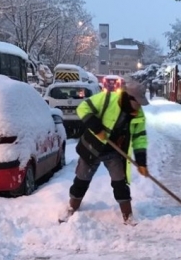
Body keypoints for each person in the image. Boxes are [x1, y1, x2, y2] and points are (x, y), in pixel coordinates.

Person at [59, 79, 149, 224]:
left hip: (114, 151)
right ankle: (71, 207)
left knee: (120, 182)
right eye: (137, 102)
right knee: (82, 178)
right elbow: (83, 108)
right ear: (129, 97)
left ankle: (128, 215)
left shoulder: (138, 115)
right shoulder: (107, 98)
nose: (139, 107)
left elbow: (140, 139)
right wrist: (97, 129)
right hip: (92, 147)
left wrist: (142, 162)